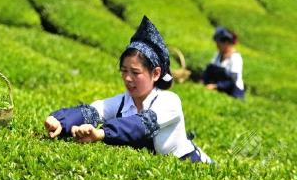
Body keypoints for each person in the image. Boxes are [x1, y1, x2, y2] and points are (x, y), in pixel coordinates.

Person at [44, 16, 213, 163]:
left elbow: (142, 124)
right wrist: (60, 121)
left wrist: (102, 133)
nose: (127, 78)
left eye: (135, 72)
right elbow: (92, 111)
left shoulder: (169, 101)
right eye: (124, 71)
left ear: (155, 73)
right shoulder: (122, 102)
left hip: (192, 165)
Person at [202, 26, 245, 98]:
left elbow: (232, 81)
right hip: (221, 90)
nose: (217, 46)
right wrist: (203, 80)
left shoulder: (235, 58)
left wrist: (216, 86)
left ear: (226, 43)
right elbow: (209, 69)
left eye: (219, 44)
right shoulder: (218, 55)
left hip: (234, 93)